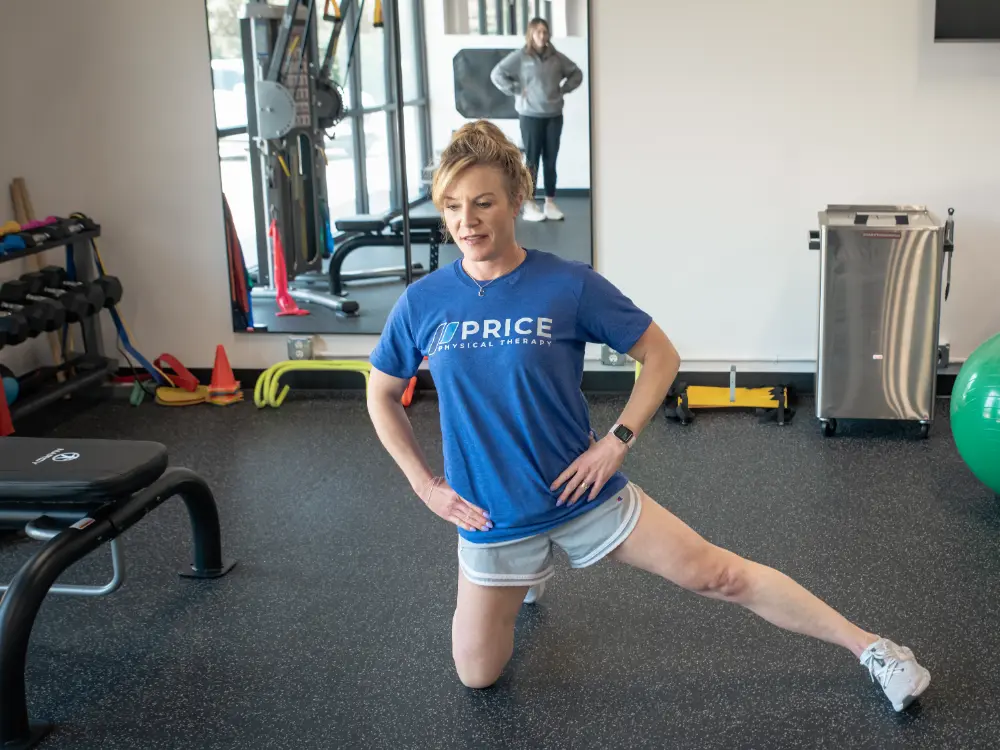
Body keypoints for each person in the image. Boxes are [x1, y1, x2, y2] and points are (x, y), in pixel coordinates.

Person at [365, 120, 931, 713]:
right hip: (491, 515)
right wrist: (426, 488)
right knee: (477, 676)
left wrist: (617, 441)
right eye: (452, 206)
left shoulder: (567, 284)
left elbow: (659, 355)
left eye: (483, 203)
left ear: (516, 200)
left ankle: (871, 648)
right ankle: (528, 573)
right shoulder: (425, 301)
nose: (466, 221)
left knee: (718, 575)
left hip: (578, 493)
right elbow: (382, 395)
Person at [489, 17, 582, 223]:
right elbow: (497, 74)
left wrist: (563, 89)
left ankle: (550, 202)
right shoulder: (521, 57)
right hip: (530, 116)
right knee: (531, 161)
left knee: (551, 160)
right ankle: (529, 204)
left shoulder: (556, 57)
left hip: (554, 115)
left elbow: (576, 73)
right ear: (531, 34)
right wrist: (515, 89)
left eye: (545, 32)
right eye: (538, 32)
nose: (542, 35)